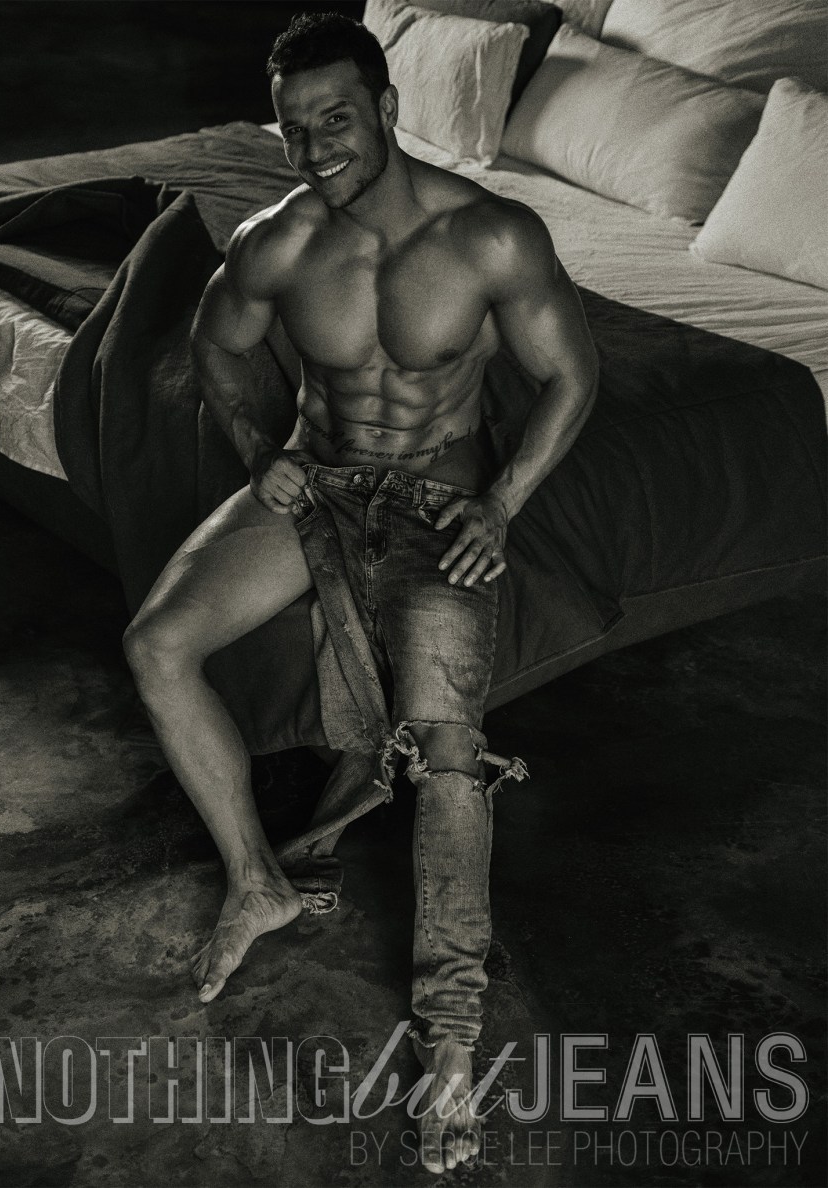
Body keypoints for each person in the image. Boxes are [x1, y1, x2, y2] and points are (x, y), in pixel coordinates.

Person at [123, 11, 598, 1173]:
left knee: (447, 756)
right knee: (157, 645)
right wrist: (258, 451)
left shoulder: (488, 233)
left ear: (386, 107)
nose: (313, 147)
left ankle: (449, 1046)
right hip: (318, 484)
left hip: (438, 500)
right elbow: (217, 346)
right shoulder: (278, 239)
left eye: (334, 119)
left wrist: (500, 504)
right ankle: (258, 884)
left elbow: (570, 376)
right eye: (292, 129)